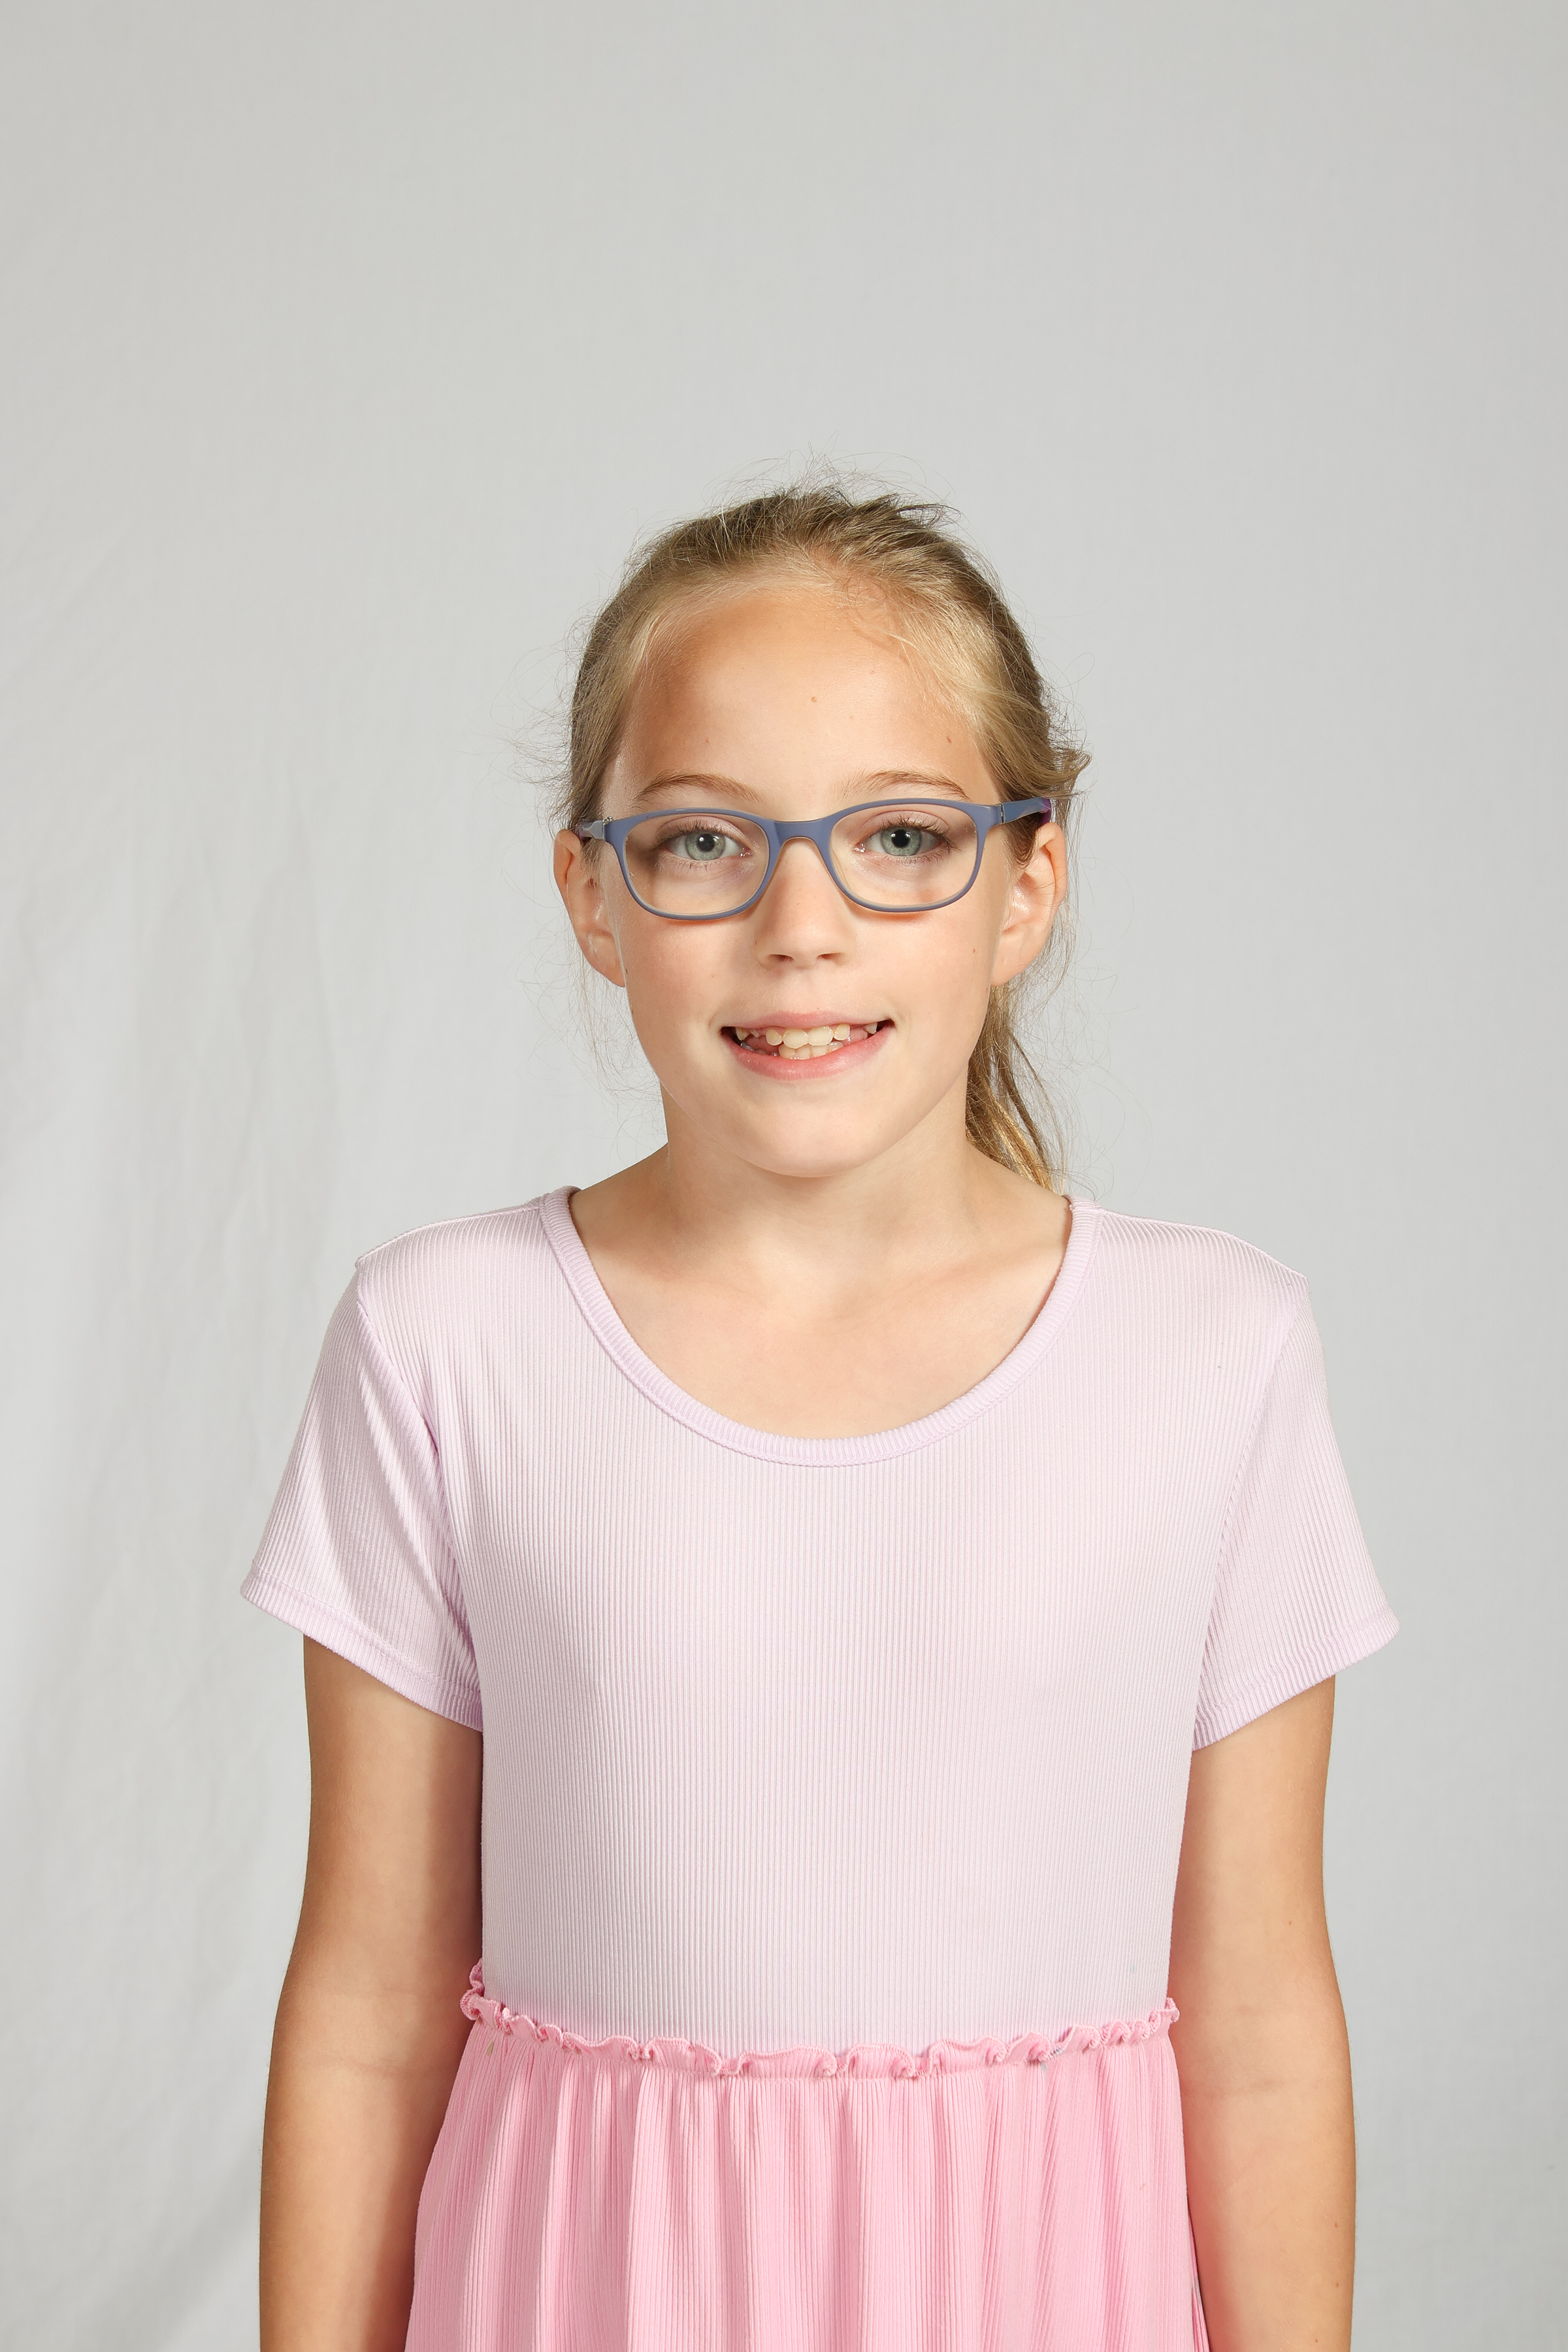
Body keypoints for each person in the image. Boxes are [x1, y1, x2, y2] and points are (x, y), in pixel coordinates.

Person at [244, 483, 1397, 2352]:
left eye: (900, 838)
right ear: (594, 893)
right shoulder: (446, 1343)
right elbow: (370, 2006)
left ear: (1029, 883)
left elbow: (1260, 2026)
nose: (803, 927)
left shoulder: (1213, 1351)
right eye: (705, 841)